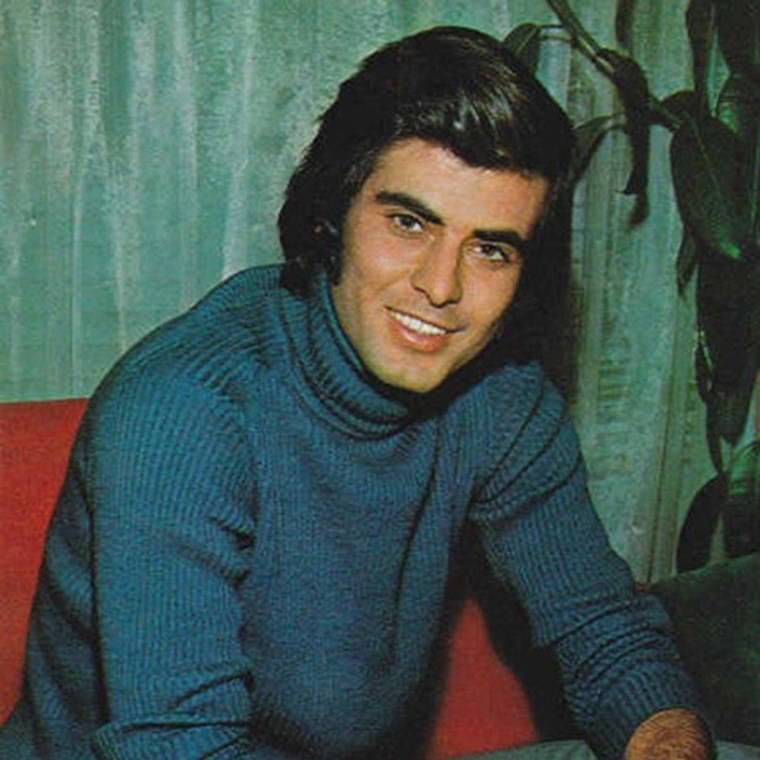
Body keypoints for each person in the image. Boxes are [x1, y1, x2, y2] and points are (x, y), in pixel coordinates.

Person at [2, 25, 750, 760]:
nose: (441, 286)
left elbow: (604, 631)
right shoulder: (184, 411)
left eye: (490, 249)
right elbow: (181, 746)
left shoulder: (502, 398)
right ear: (331, 214)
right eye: (408, 222)